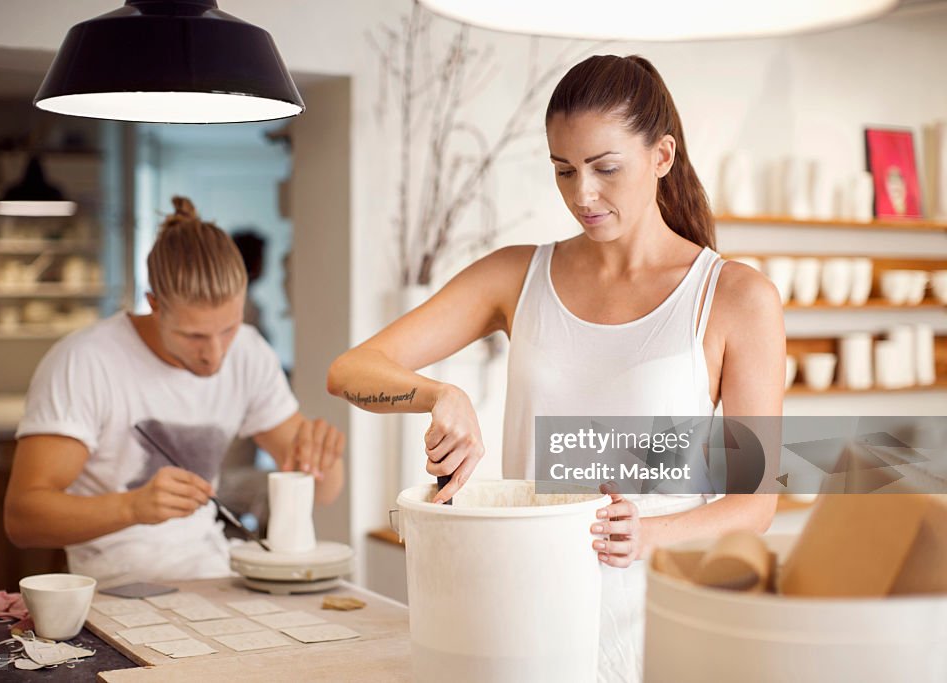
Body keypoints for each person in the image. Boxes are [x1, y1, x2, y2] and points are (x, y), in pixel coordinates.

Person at [327, 55, 782, 680]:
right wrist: (438, 395)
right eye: (563, 171)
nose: (582, 195)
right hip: (526, 615)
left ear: (663, 156)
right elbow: (351, 371)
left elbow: (753, 503)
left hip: (663, 629)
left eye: (605, 168)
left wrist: (647, 532)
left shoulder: (735, 298)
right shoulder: (517, 276)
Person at [5, 196, 345, 587]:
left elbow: (326, 492)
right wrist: (133, 506)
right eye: (194, 335)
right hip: (117, 586)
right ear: (154, 305)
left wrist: (325, 457)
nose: (215, 356)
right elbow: (22, 520)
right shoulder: (84, 361)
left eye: (228, 329)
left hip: (216, 574)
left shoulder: (249, 351)